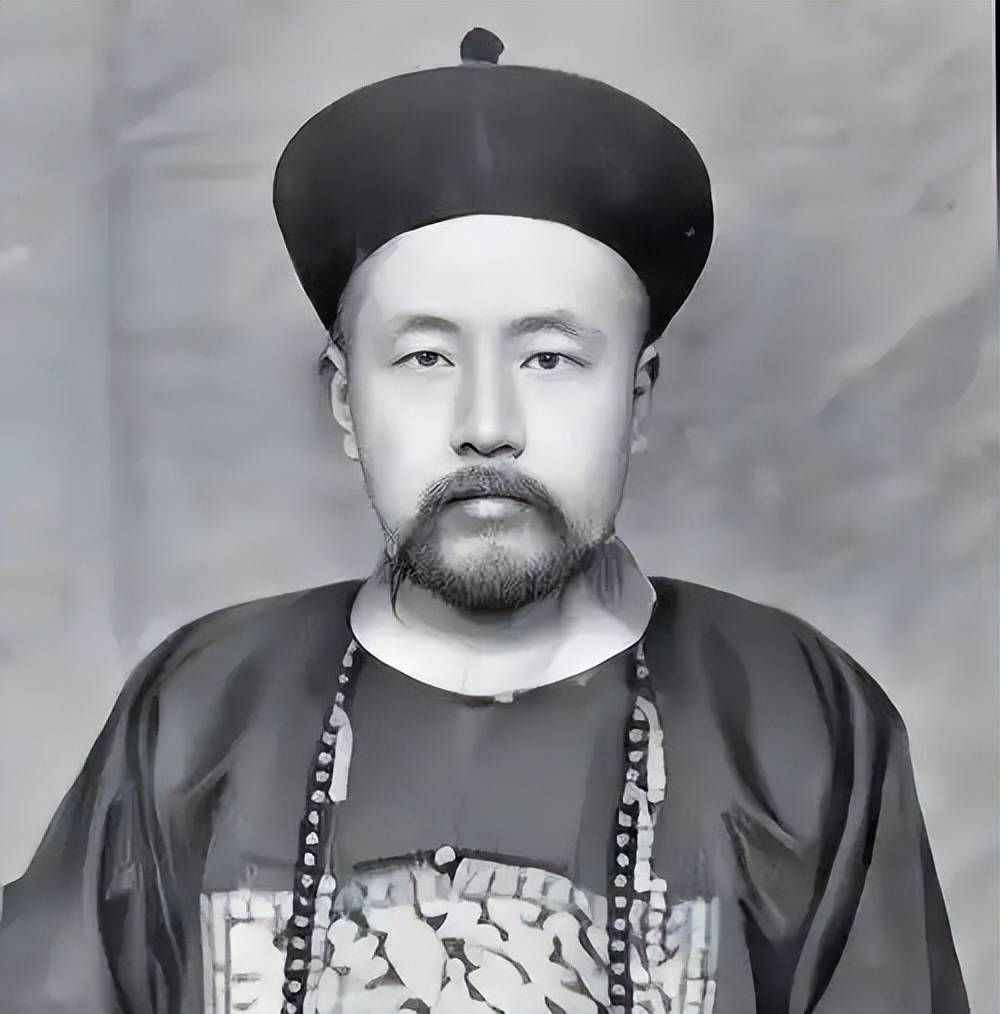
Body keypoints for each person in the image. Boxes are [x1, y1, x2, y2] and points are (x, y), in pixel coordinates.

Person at [0, 27, 968, 1014]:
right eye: (426, 357)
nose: (487, 425)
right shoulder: (196, 712)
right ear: (345, 401)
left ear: (636, 400)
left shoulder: (799, 720)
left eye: (549, 358)